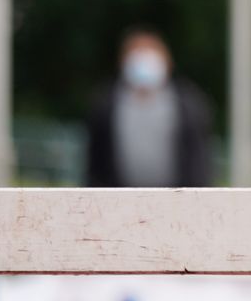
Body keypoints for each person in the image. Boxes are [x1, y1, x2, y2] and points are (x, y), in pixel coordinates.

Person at [84, 30, 214, 187]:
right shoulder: (105, 105)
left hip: (176, 202)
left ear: (167, 62)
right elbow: (95, 161)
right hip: (119, 202)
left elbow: (199, 159)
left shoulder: (189, 105)